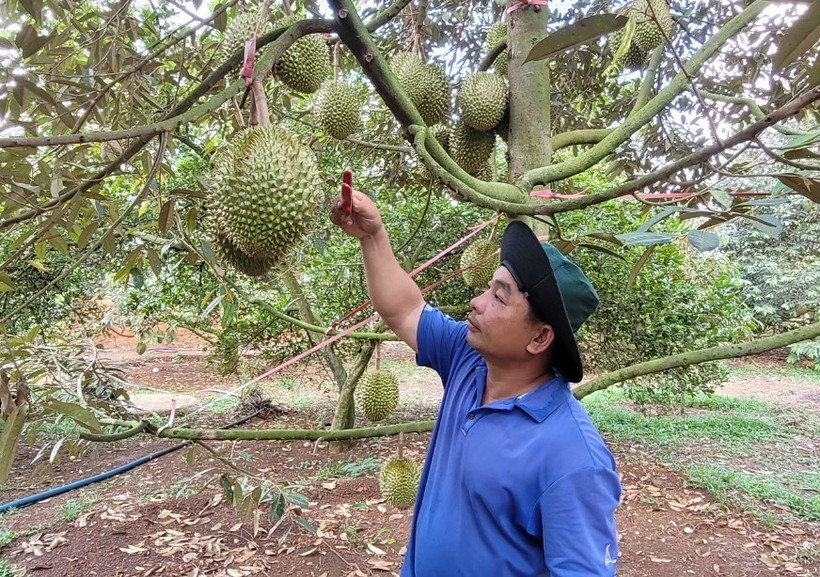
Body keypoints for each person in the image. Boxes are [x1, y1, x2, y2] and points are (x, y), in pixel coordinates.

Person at [331, 189, 621, 576]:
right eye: (487, 288)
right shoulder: (467, 361)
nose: (477, 302)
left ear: (539, 338)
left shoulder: (572, 456)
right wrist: (372, 235)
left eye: (499, 298)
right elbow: (404, 309)